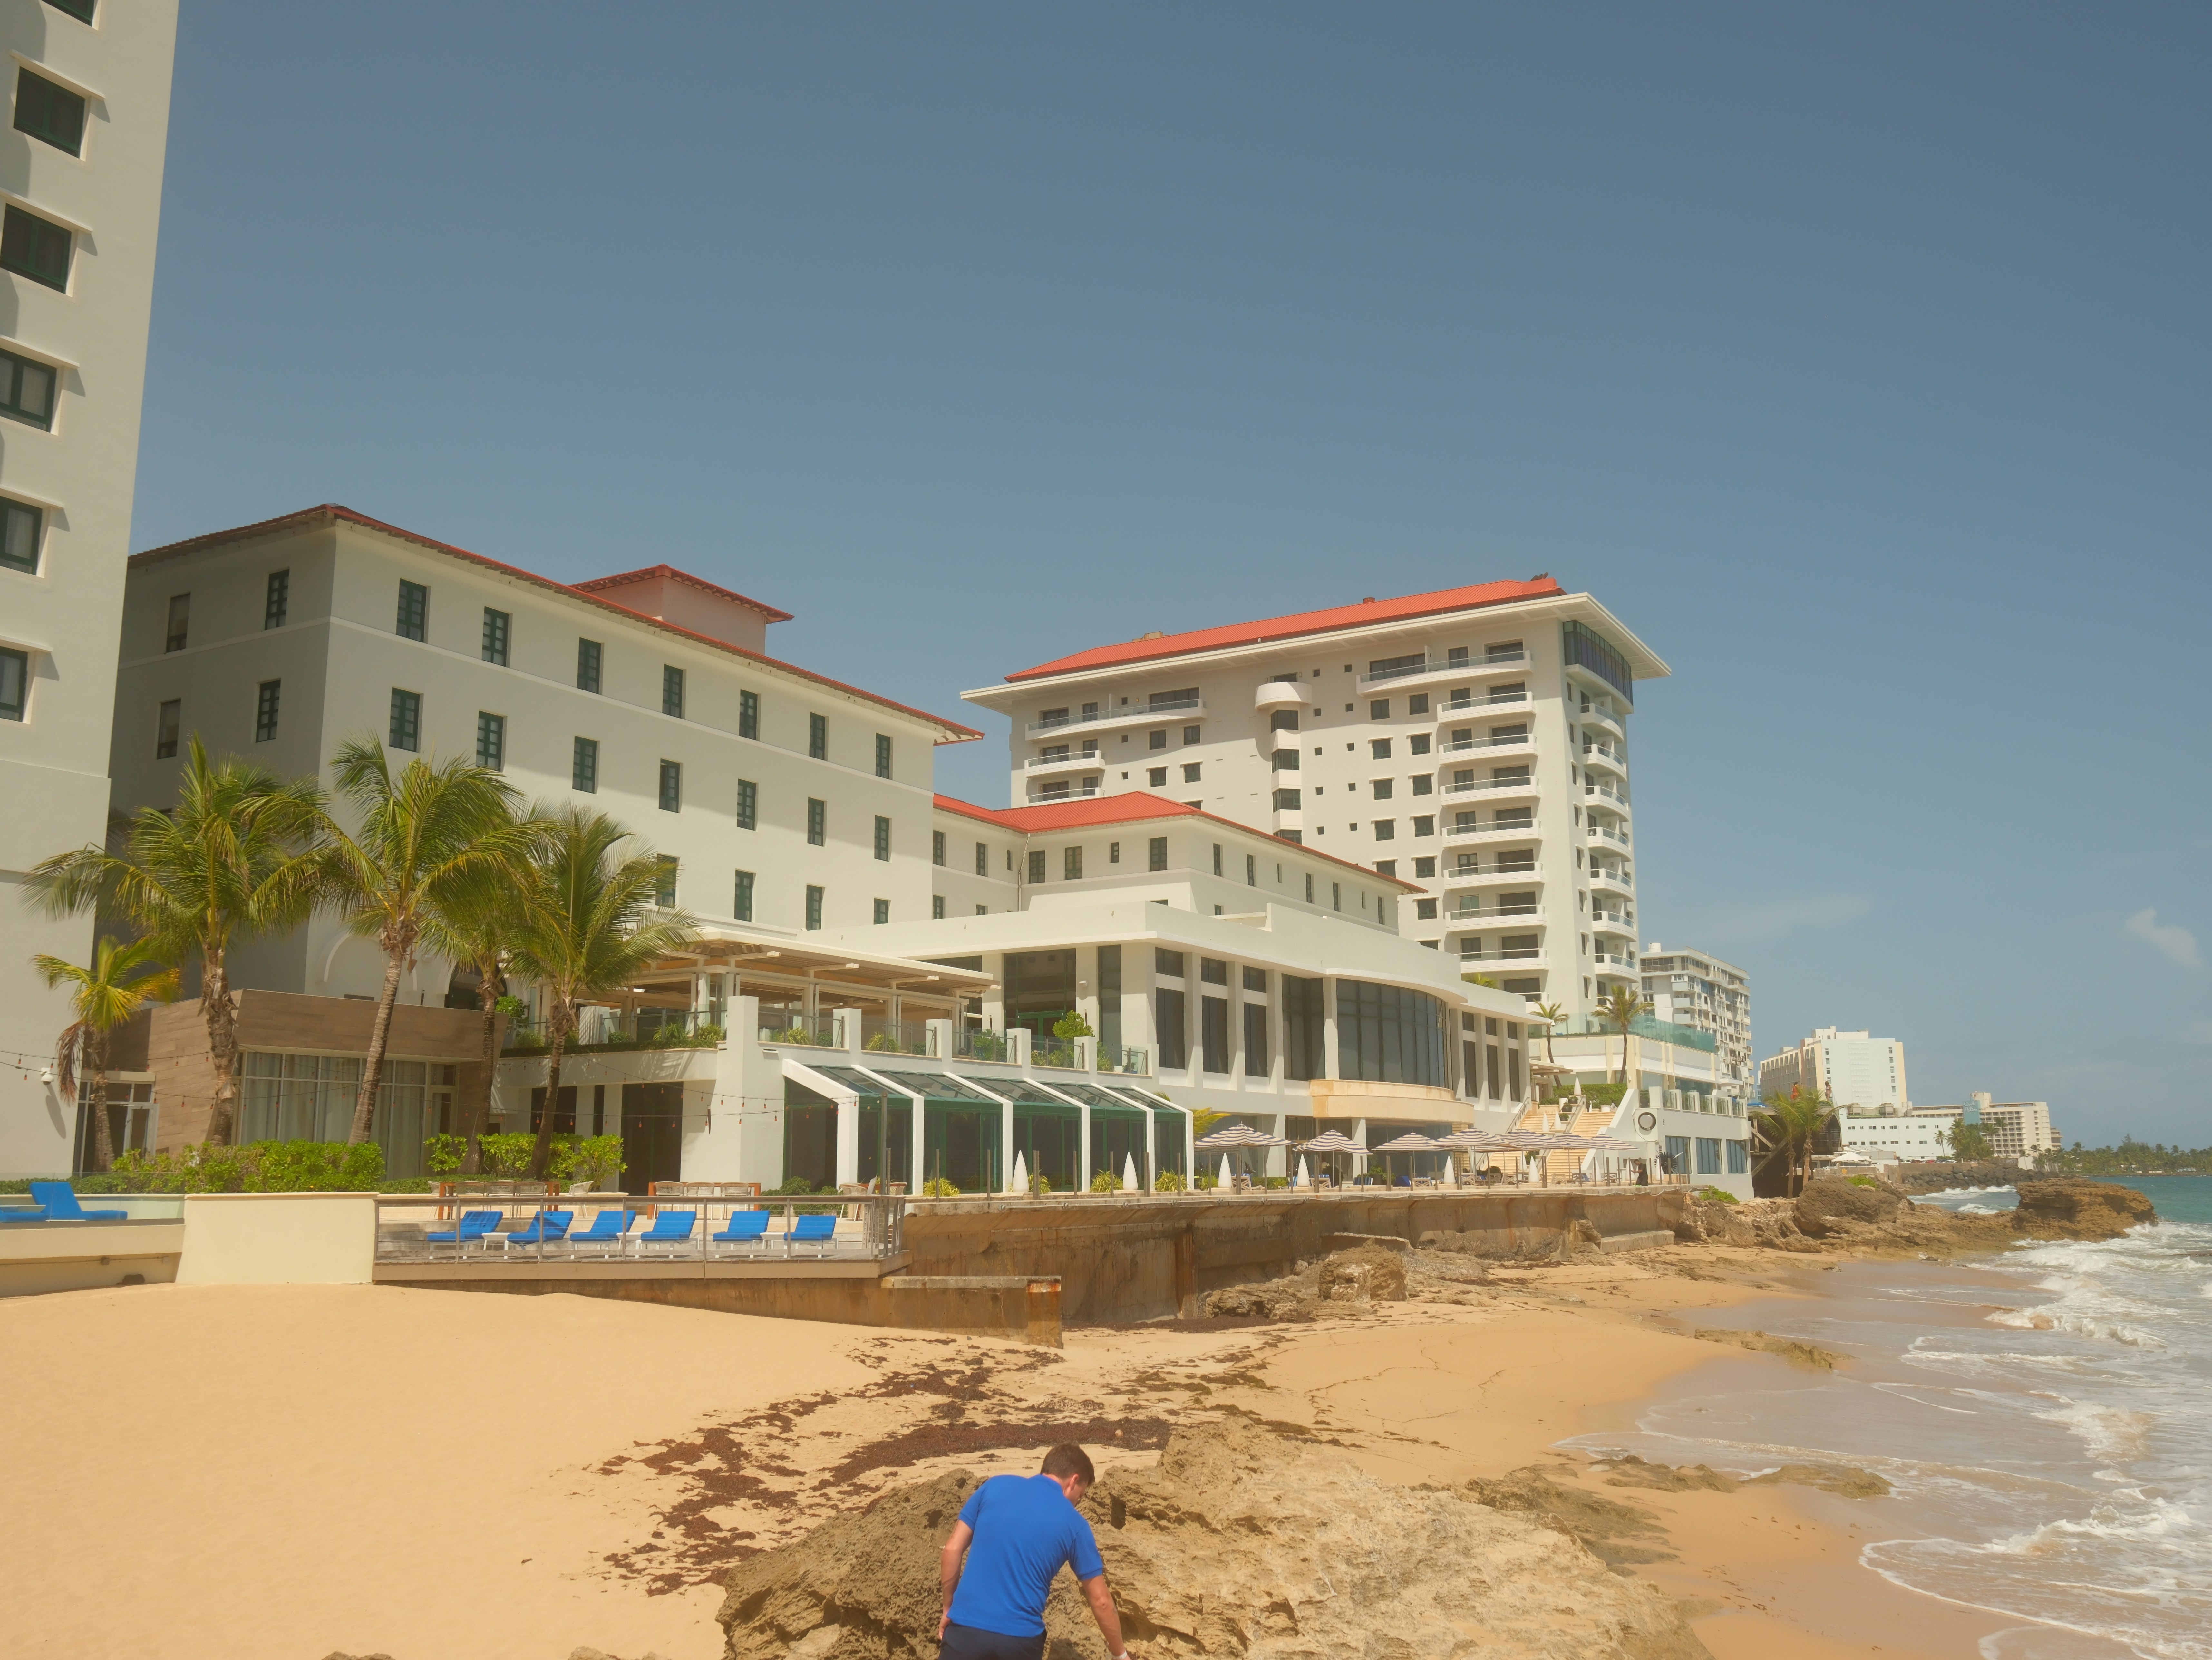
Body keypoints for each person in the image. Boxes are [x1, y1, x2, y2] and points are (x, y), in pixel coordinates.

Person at [937, 1443, 1135, 1660]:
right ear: (1074, 1481)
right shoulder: (1075, 1524)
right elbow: (1101, 1601)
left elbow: (952, 1549)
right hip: (1019, 1641)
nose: (1077, 1503)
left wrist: (949, 1608)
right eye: (1080, 1496)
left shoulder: (993, 1487)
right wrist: (1121, 1655)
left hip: (965, 1632)